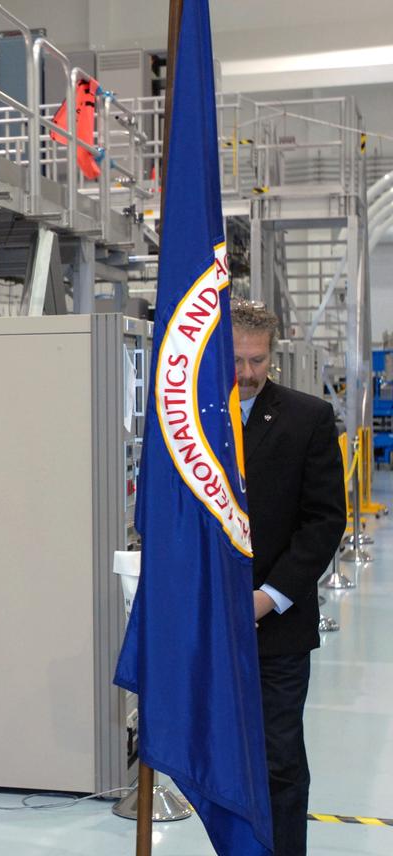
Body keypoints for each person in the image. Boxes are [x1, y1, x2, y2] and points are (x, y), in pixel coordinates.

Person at [233, 300, 346, 856]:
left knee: (279, 759)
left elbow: (325, 520)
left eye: (258, 361)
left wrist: (267, 597)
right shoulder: (189, 422)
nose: (248, 373)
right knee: (217, 758)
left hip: (276, 628)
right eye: (236, 360)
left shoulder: (308, 418)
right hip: (206, 629)